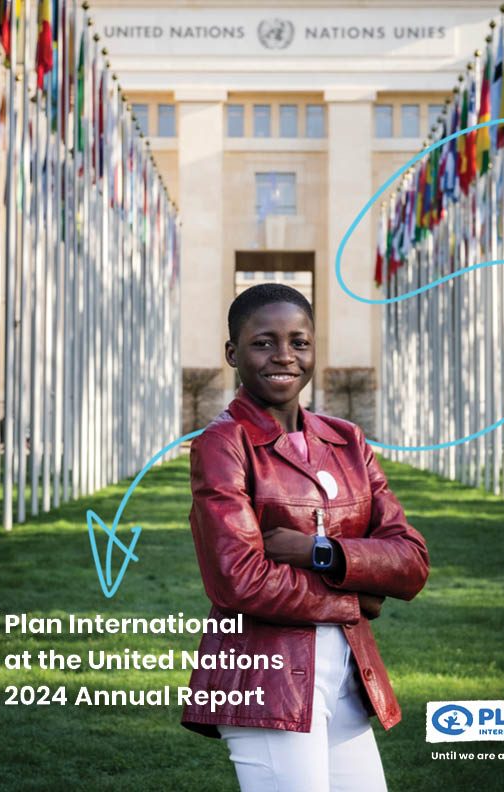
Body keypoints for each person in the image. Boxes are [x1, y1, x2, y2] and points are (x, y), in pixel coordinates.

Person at [181, 283, 429, 792]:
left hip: (348, 675)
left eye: (299, 342)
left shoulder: (347, 440)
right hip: (265, 676)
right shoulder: (223, 445)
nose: (283, 357)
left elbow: (410, 560)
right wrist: (353, 596)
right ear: (233, 353)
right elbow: (240, 582)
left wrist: (322, 552)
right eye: (263, 342)